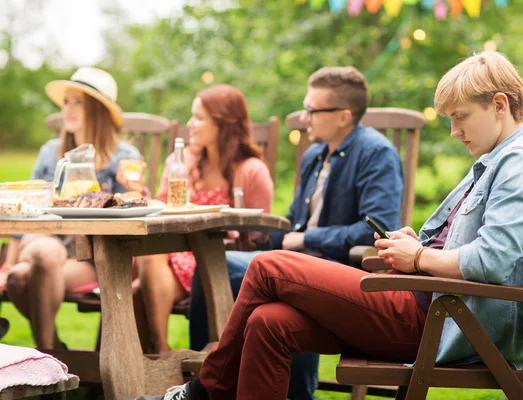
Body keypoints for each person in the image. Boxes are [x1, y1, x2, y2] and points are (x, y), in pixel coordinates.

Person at [138, 50, 523, 400]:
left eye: (460, 116)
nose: (453, 130)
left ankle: (202, 392)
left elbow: (495, 259)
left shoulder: (518, 164)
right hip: (425, 303)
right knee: (269, 323)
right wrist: (417, 245)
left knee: (268, 266)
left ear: (499, 105)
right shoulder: (495, 159)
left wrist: (422, 257)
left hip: (444, 318)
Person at [189, 67, 403, 399]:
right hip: (295, 262)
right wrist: (257, 235)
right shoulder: (315, 154)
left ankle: (217, 387)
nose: (304, 118)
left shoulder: (376, 153)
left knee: (230, 268)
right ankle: (207, 377)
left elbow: (376, 229)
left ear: (344, 115)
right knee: (213, 262)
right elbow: (293, 222)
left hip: (340, 270)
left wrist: (305, 240)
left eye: (312, 110)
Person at [4, 67, 142, 349]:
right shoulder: (50, 152)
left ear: (99, 111)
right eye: (67, 101)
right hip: (46, 243)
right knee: (39, 253)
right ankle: (51, 354)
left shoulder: (124, 157)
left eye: (79, 102)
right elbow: (26, 207)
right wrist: (9, 259)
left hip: (95, 257)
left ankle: (49, 354)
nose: (68, 109)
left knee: (20, 279)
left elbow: (133, 209)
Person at [132, 85, 274, 354]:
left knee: (136, 292)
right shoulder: (181, 160)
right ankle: (161, 354)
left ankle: (156, 360)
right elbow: (162, 205)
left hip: (216, 258)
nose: (189, 125)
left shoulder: (251, 170)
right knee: (146, 264)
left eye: (198, 117)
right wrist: (140, 191)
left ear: (223, 123)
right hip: (171, 254)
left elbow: (259, 232)